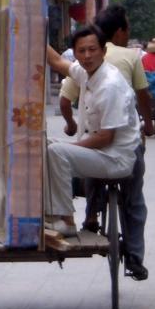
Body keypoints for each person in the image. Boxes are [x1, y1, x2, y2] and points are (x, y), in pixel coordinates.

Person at [59, 5, 153, 281]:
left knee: (90, 167)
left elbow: (65, 98)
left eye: (91, 50)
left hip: (101, 140)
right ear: (120, 32)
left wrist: (70, 125)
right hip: (126, 144)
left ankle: (90, 216)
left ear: (100, 47)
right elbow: (143, 95)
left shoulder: (85, 62)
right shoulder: (130, 57)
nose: (88, 54)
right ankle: (135, 258)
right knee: (134, 200)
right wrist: (149, 124)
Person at [46, 24, 141, 242]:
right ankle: (48, 212)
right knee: (43, 144)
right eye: (82, 51)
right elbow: (57, 61)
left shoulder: (110, 85)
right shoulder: (88, 73)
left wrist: (68, 148)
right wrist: (32, 30)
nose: (87, 55)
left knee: (56, 151)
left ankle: (66, 220)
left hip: (115, 158)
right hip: (100, 151)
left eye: (92, 49)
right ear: (75, 53)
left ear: (103, 51)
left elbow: (105, 138)